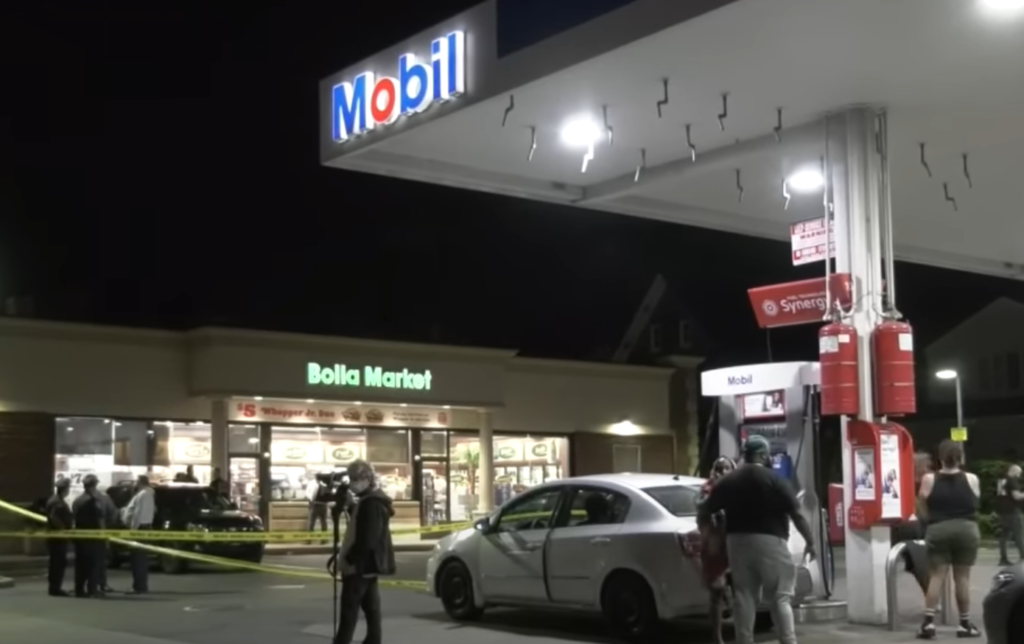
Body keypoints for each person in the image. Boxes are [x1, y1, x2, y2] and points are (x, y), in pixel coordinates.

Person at [698, 435, 816, 644]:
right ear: (762, 455)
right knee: (780, 597)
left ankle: (744, 640)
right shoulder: (775, 479)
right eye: (767, 454)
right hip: (771, 541)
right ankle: (788, 640)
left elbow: (704, 510)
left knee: (743, 595)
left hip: (737, 542)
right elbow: (796, 515)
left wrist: (709, 536)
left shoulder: (728, 481)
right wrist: (810, 542)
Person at [917, 440, 982, 639]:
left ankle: (928, 624)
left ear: (940, 457)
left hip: (938, 529)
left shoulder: (929, 478)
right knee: (962, 577)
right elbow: (976, 502)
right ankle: (964, 624)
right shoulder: (971, 478)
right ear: (960, 457)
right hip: (966, 529)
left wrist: (931, 520)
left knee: (937, 576)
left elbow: (921, 504)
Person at [333, 459, 396, 644]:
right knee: (371, 608)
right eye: (351, 479)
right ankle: (373, 640)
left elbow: (367, 538)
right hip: (369, 564)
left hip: (361, 565)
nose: (352, 483)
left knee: (349, 610)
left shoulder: (371, 503)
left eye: (356, 479)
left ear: (368, 479)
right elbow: (363, 526)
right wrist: (352, 507)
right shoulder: (370, 501)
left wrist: (349, 560)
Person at [697, 456, 737, 644]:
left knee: (741, 592)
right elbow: (702, 511)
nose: (722, 471)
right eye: (718, 468)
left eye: (726, 468)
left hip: (736, 546)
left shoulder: (738, 488)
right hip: (715, 548)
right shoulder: (706, 490)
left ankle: (742, 633)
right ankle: (717, 637)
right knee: (717, 593)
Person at [71, 474, 106, 598]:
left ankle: (79, 589)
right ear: (93, 486)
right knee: (93, 564)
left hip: (79, 536)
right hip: (93, 537)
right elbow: (99, 519)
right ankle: (92, 589)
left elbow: (74, 518)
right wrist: (103, 535)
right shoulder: (94, 501)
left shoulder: (77, 500)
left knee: (80, 564)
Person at [123, 474, 156, 594]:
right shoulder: (146, 494)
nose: (134, 483)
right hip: (143, 528)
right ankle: (139, 585)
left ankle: (139, 586)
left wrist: (134, 529)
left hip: (140, 529)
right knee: (139, 559)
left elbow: (138, 513)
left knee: (138, 559)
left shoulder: (144, 495)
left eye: (136, 481)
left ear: (141, 482)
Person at [44, 479, 74, 597]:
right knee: (58, 563)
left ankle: (54, 586)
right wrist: (63, 530)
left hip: (56, 536)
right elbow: (54, 518)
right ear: (65, 489)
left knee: (56, 562)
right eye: (68, 488)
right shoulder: (57, 502)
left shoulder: (56, 500)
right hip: (57, 537)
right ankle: (55, 587)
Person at [994, 464, 1024, 566]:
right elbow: (1016, 496)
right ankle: (1023, 557)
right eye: (1019, 473)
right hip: (1012, 511)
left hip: (1002, 511)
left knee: (1003, 536)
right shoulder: (1012, 480)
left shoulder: (1001, 480)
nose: (1019, 475)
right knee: (1019, 535)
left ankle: (1003, 559)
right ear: (1014, 471)